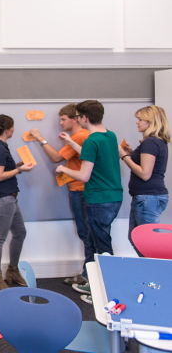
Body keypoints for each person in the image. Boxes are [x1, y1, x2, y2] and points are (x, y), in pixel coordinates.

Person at [56, 100, 122, 303]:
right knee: (98, 243)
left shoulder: (93, 140)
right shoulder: (109, 135)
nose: (76, 119)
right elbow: (91, 152)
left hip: (98, 199)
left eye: (76, 116)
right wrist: (71, 142)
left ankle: (105, 294)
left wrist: (63, 169)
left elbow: (84, 176)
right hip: (113, 197)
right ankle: (96, 285)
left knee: (101, 247)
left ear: (84, 118)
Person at [30, 104, 94, 286]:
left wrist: (40, 139)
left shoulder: (80, 136)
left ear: (76, 118)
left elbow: (57, 158)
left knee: (87, 234)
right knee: (87, 234)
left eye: (64, 119)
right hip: (79, 190)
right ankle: (87, 275)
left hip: (81, 191)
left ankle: (89, 278)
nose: (60, 123)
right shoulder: (78, 136)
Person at [0, 114, 34, 291]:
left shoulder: (1, 147)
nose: (14, 129)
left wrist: (17, 167)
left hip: (9, 198)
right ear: (6, 129)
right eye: (12, 127)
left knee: (20, 233)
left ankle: (13, 270)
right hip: (2, 199)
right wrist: (19, 169)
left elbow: (3, 171)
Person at [119, 105, 169, 256]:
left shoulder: (150, 143)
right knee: (136, 238)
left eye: (140, 119)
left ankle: (156, 276)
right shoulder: (157, 142)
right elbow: (150, 167)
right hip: (148, 197)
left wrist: (124, 156)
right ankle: (150, 272)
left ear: (151, 121)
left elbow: (145, 174)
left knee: (148, 243)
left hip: (148, 197)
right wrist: (132, 154)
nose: (137, 122)